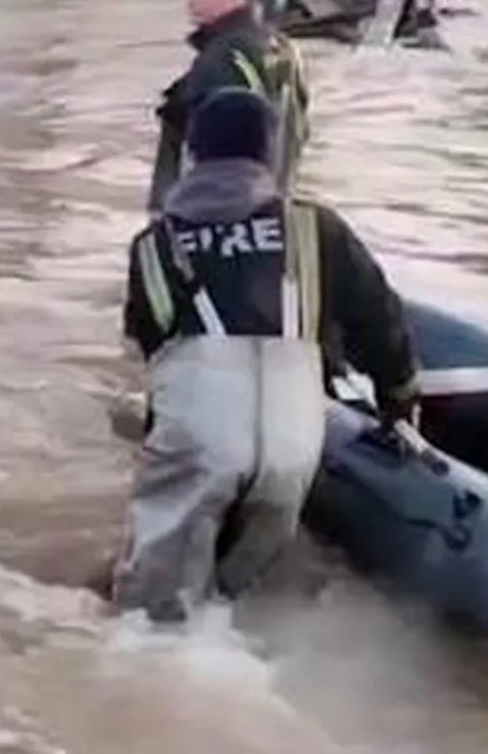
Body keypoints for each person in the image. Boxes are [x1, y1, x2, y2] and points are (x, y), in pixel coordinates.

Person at [113, 87, 420, 622]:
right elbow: (379, 320)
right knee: (236, 609)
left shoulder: (154, 244)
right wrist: (398, 400)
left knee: (152, 619)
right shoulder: (316, 228)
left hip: (199, 439)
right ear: (269, 155)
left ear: (194, 155)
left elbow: (150, 341)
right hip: (292, 446)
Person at [147, 0, 310, 212]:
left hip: (211, 219)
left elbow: (214, 161)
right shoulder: (284, 49)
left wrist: (169, 223)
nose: (189, 1)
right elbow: (298, 133)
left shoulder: (222, 61)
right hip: (274, 211)